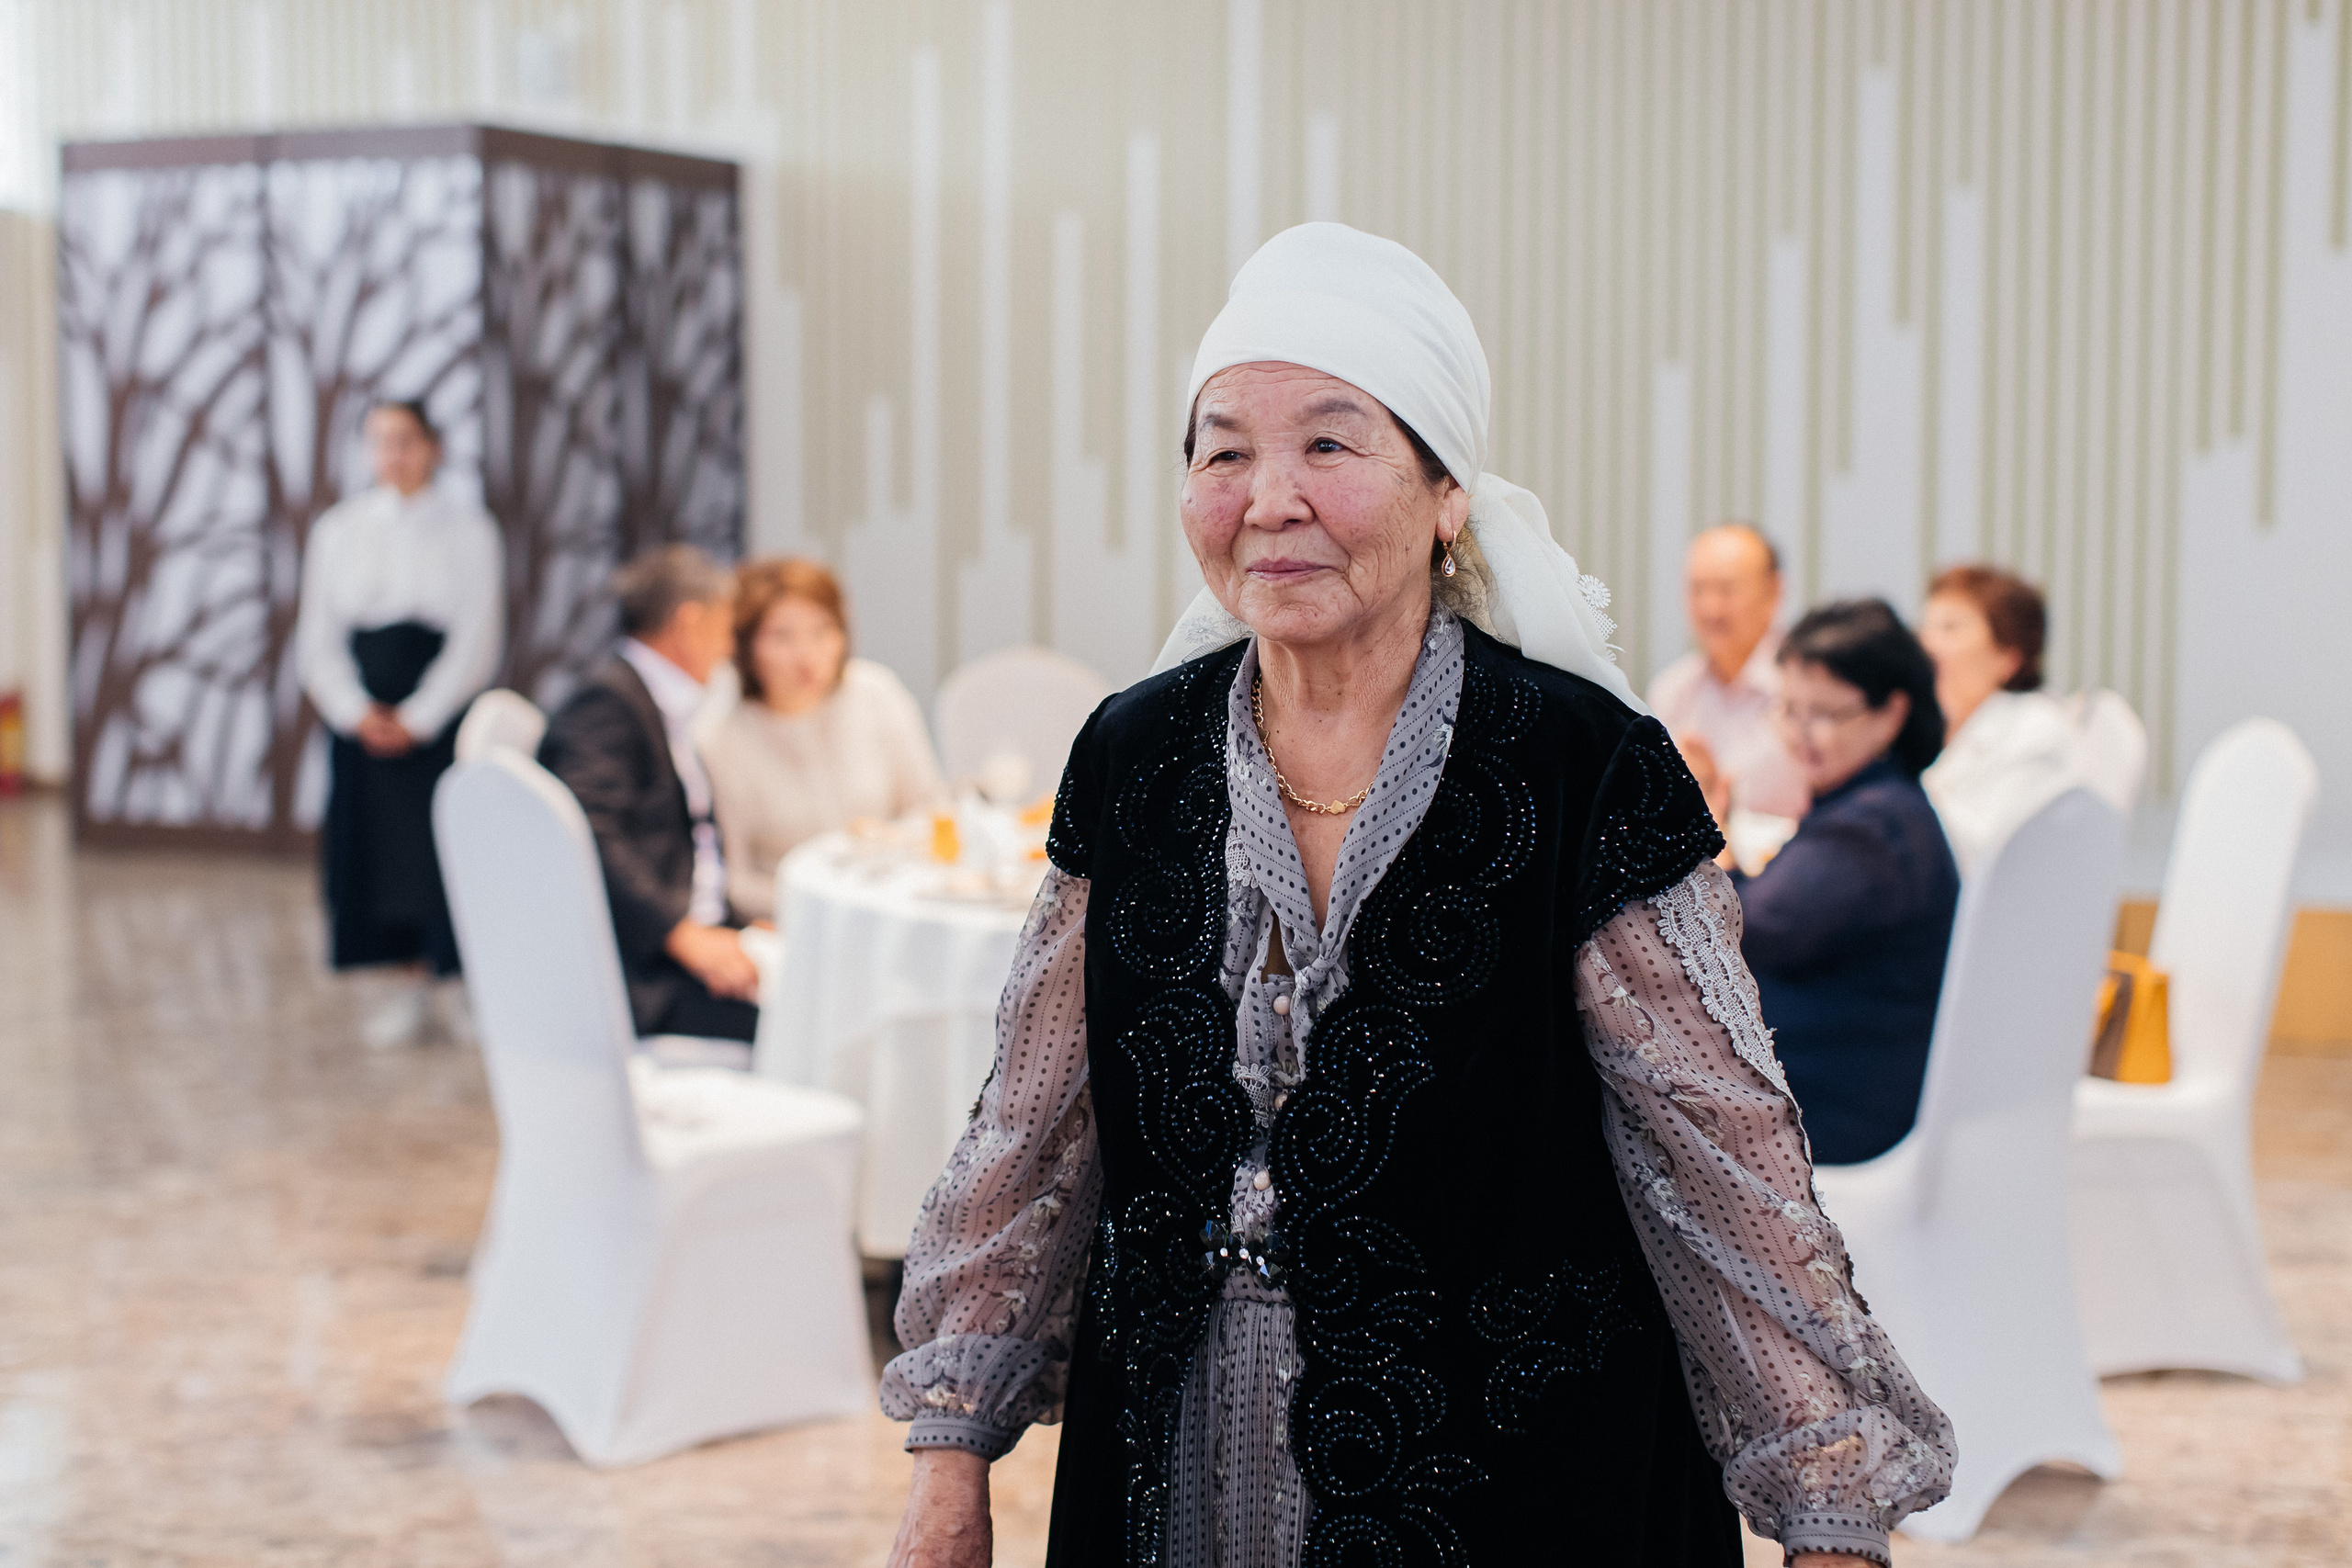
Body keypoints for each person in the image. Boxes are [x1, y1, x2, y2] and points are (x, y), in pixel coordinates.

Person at [883, 224, 1951, 1568]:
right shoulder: (1131, 758)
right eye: (1222, 449)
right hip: (1174, 1481)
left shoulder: (1583, 768)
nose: (1269, 496)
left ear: (1449, 492)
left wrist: (1827, 1513)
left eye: (1330, 443)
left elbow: (1722, 1161)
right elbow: (1027, 1132)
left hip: (1525, 1491)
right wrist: (948, 1460)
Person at [295, 399, 503, 1047]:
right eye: (380, 441)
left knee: (443, 853)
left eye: (406, 440)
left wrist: (421, 715)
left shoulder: (470, 530)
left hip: (437, 714)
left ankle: (459, 983)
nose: (394, 455)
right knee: (378, 860)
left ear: (433, 446)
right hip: (364, 711)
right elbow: (318, 637)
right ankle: (406, 985)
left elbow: (476, 636)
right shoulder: (340, 529)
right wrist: (356, 712)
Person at [1730, 600, 1960, 1168]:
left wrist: (1707, 839)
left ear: (1890, 714)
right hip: (1833, 1094)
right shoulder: (1880, 807)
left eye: (1826, 714)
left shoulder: (1873, 830)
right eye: (1788, 709)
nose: (1800, 733)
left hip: (1833, 1116)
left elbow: (1748, 926)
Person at [537, 545, 762, 1043]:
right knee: (818, 1021)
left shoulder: (655, 703)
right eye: (727, 627)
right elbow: (585, 833)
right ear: (690, 623)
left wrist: (737, 926)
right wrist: (683, 938)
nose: (729, 647)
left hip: (691, 938)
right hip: (650, 978)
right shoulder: (607, 706)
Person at [703, 558, 944, 923]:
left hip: (894, 909)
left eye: (823, 631)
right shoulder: (720, 738)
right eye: (782, 636)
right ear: (747, 648)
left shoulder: (876, 694)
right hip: (795, 923)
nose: (807, 655)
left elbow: (931, 812)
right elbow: (735, 882)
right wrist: (828, 909)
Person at [1917, 564, 2083, 876]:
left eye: (1950, 628)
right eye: (1926, 627)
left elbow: (1988, 855)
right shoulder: (1931, 730)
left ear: (2008, 657)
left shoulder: (2035, 729)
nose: (1927, 644)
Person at [1647, 522, 1810, 822]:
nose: (1711, 608)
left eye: (1726, 589)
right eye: (1697, 589)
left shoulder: (1806, 688)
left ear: (1774, 591)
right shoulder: (1671, 691)